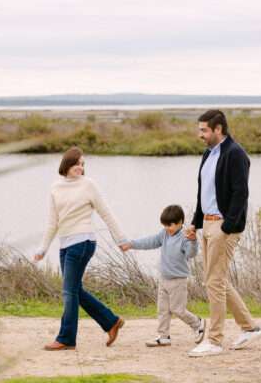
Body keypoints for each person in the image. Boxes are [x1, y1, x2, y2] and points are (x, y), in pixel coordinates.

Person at [186, 109, 261, 357]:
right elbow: (204, 192)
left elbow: (241, 193)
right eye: (200, 130)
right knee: (216, 279)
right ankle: (249, 328)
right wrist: (195, 222)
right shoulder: (208, 154)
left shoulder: (235, 153)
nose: (200, 135)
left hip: (223, 226)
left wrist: (227, 226)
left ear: (218, 129)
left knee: (214, 282)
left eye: (204, 130)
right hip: (208, 223)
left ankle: (215, 340)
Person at [33, 146, 127, 351]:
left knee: (69, 292)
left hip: (83, 242)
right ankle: (111, 321)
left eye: (83, 164)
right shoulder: (56, 188)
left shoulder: (88, 185)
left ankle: (66, 338)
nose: (80, 167)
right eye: (76, 163)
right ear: (67, 164)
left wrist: (121, 239)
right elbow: (52, 222)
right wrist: (43, 248)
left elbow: (106, 213)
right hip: (65, 244)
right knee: (75, 290)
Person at [121, 205, 206, 347]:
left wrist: (193, 241)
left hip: (178, 280)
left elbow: (191, 254)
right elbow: (150, 241)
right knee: (163, 310)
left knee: (178, 310)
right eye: (165, 225)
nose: (167, 228)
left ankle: (198, 323)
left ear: (180, 222)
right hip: (164, 279)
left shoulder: (185, 237)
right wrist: (131, 244)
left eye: (170, 225)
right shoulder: (164, 234)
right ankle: (163, 336)